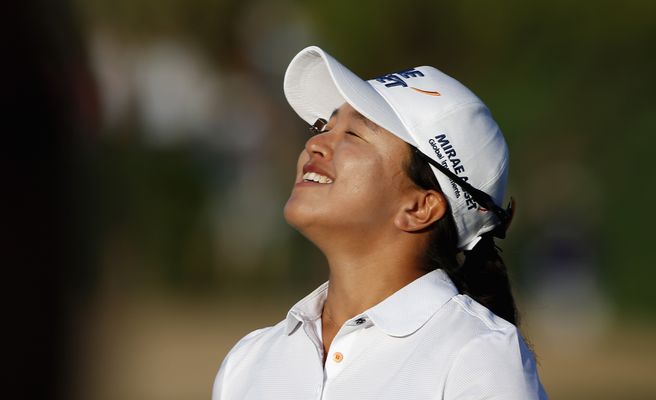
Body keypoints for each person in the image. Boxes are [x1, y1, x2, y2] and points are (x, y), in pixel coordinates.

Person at [212, 46, 547, 399]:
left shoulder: (479, 356)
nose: (316, 143)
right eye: (324, 125)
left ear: (419, 207)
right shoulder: (248, 361)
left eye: (354, 134)